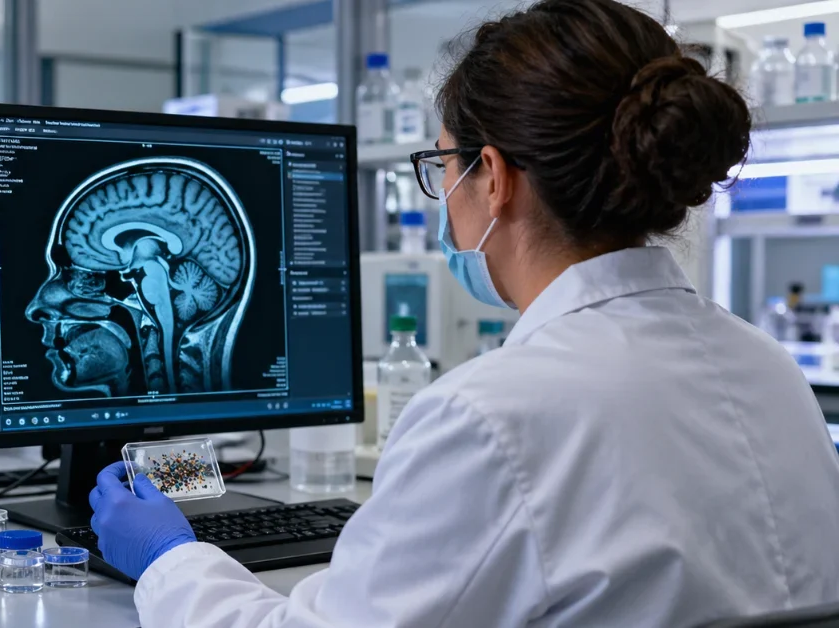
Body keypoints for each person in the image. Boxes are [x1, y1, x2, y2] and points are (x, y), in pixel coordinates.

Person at [88, 0, 839, 625]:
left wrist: (170, 559)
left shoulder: (489, 418)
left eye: (441, 166)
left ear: (496, 177)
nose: (441, 199)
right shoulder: (766, 369)